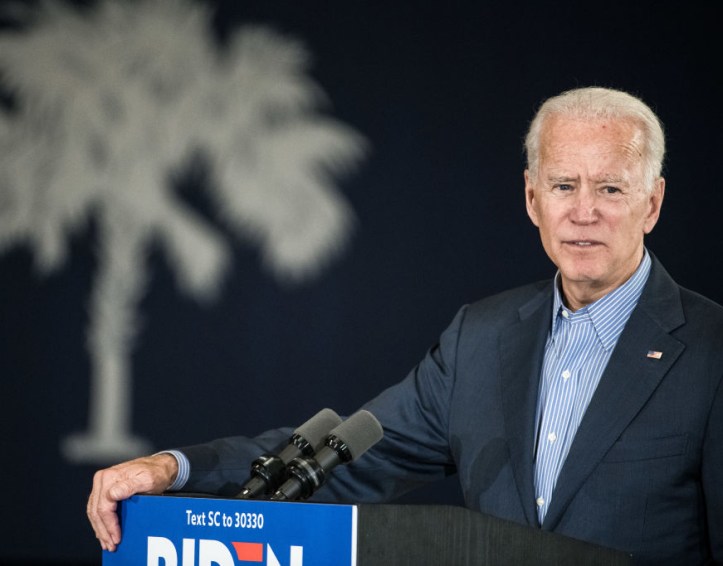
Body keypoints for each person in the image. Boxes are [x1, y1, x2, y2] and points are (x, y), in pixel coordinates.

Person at [87, 87, 723, 564]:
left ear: (653, 202)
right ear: (533, 199)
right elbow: (338, 456)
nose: (583, 212)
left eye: (610, 189)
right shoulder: (482, 337)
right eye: (564, 185)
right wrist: (175, 470)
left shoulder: (712, 350)